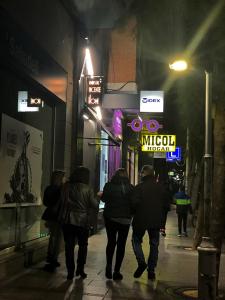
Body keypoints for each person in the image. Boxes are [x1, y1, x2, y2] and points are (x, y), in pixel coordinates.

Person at [58, 166, 99, 280]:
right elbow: (94, 205)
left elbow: (62, 202)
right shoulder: (88, 189)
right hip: (82, 221)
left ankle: (70, 271)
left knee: (69, 247)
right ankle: (80, 269)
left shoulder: (66, 187)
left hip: (67, 220)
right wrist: (98, 197)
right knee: (83, 246)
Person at [131, 165, 171, 281]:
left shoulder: (139, 187)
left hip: (140, 220)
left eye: (141, 173)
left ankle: (141, 261)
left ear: (144, 173)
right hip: (156, 221)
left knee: (136, 240)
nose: (140, 175)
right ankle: (151, 270)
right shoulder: (161, 188)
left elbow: (134, 204)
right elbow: (166, 206)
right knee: (154, 245)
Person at [102, 168, 133, 280]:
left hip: (110, 218)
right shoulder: (130, 187)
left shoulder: (108, 186)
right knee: (121, 245)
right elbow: (134, 203)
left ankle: (108, 266)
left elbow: (104, 199)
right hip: (125, 219)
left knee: (111, 242)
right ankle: (117, 271)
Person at [42, 170, 65, 271]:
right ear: (60, 179)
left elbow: (45, 202)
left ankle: (50, 257)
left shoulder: (48, 188)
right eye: (63, 177)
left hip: (50, 215)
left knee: (53, 237)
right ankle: (53, 258)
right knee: (57, 238)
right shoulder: (61, 189)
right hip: (58, 216)